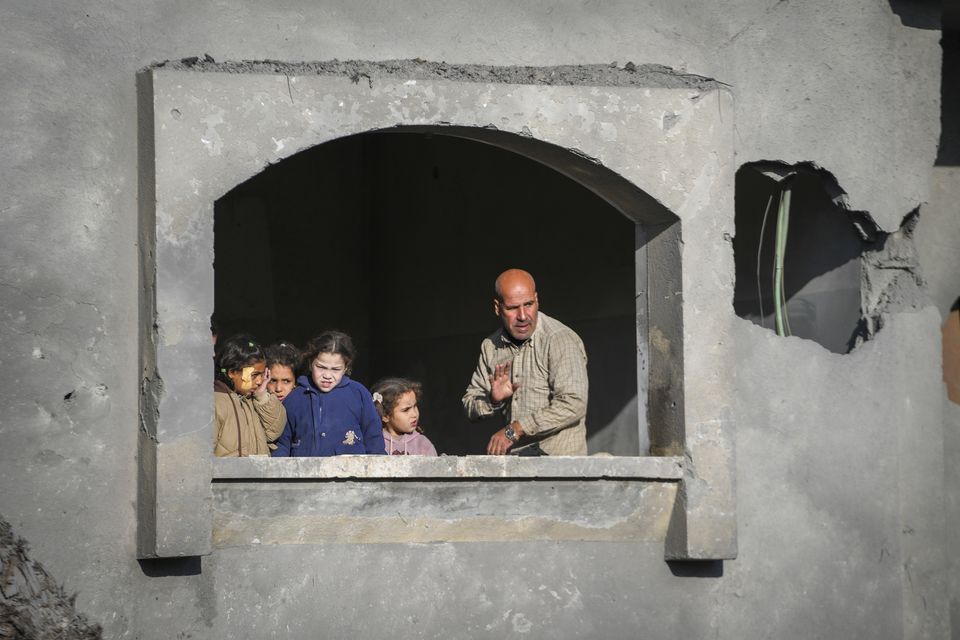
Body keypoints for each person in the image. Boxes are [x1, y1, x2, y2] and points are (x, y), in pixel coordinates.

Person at [462, 269, 588, 456]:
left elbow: (573, 404)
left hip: (561, 469)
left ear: (537, 300)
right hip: (517, 467)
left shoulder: (559, 339)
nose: (522, 315)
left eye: (528, 304)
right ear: (498, 308)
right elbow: (470, 405)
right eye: (513, 308)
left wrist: (516, 429)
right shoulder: (491, 346)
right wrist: (493, 400)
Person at [273, 330, 386, 456]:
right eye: (321, 367)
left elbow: (374, 441)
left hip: (352, 474)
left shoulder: (359, 394)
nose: (327, 375)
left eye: (336, 369)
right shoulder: (295, 398)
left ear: (346, 367)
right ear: (311, 363)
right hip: (306, 474)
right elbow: (282, 444)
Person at [213, 333, 287, 457]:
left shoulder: (252, 400)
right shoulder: (215, 404)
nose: (259, 381)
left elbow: (274, 431)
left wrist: (262, 396)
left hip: (256, 474)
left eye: (262, 374)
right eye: (254, 375)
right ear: (232, 372)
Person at [371, 378, 438, 456]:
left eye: (415, 406)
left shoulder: (422, 445)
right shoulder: (374, 442)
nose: (414, 414)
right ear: (385, 416)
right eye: (406, 410)